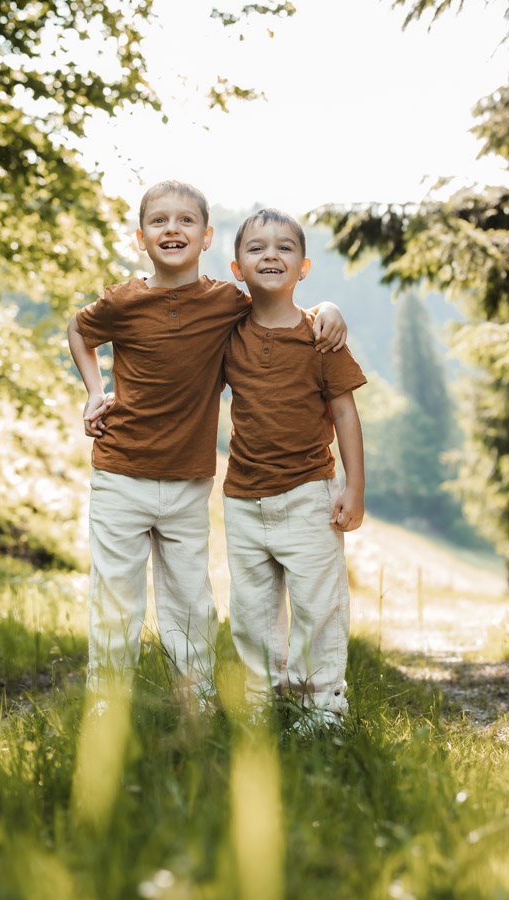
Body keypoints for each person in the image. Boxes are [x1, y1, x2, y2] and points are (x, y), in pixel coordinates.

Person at [67, 181, 347, 703]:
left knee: (189, 600)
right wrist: (93, 391)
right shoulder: (123, 300)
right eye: (159, 221)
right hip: (118, 473)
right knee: (115, 597)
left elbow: (277, 305)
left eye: (185, 221)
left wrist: (327, 306)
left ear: (206, 237)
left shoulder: (226, 302)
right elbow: (79, 330)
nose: (172, 229)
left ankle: (192, 699)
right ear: (141, 237)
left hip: (188, 482)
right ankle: (107, 704)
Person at [222, 208, 366, 730]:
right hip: (241, 498)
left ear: (303, 267)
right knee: (252, 611)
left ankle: (321, 706)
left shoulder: (321, 335)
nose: (271, 255)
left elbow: (346, 411)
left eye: (285, 247)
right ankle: (262, 702)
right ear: (237, 268)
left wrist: (354, 485)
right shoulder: (228, 332)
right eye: (256, 247)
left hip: (309, 494)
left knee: (317, 607)